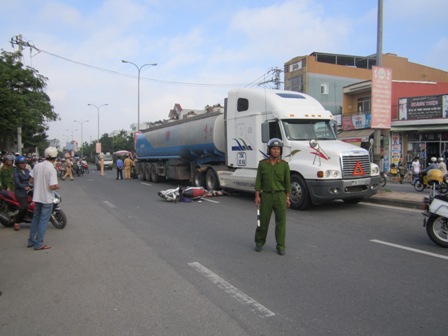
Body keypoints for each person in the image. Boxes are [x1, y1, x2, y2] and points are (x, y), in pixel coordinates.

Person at [254, 138, 291, 256]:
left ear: (280, 151)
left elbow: (287, 183)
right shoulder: (263, 164)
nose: (276, 151)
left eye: (278, 149)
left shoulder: (284, 166)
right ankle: (259, 242)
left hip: (280, 196)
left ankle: (281, 245)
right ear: (269, 150)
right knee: (262, 221)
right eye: (274, 149)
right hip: (266, 196)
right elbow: (258, 181)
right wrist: (257, 196)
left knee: (281, 223)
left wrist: (287, 197)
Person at [27, 147, 60, 250]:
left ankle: (31, 241)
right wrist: (57, 186)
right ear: (55, 157)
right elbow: (52, 186)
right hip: (47, 199)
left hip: (37, 198)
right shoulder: (51, 169)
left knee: (35, 219)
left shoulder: (37, 166)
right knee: (43, 221)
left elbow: (31, 181)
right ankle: (38, 243)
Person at [13, 156, 31, 231]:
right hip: (20, 192)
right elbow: (17, 183)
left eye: (24, 163)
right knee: (24, 206)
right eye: (22, 163)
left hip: (29, 190)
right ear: (17, 164)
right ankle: (17, 222)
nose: (24, 164)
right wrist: (25, 187)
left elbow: (32, 177)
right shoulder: (15, 172)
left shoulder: (27, 170)